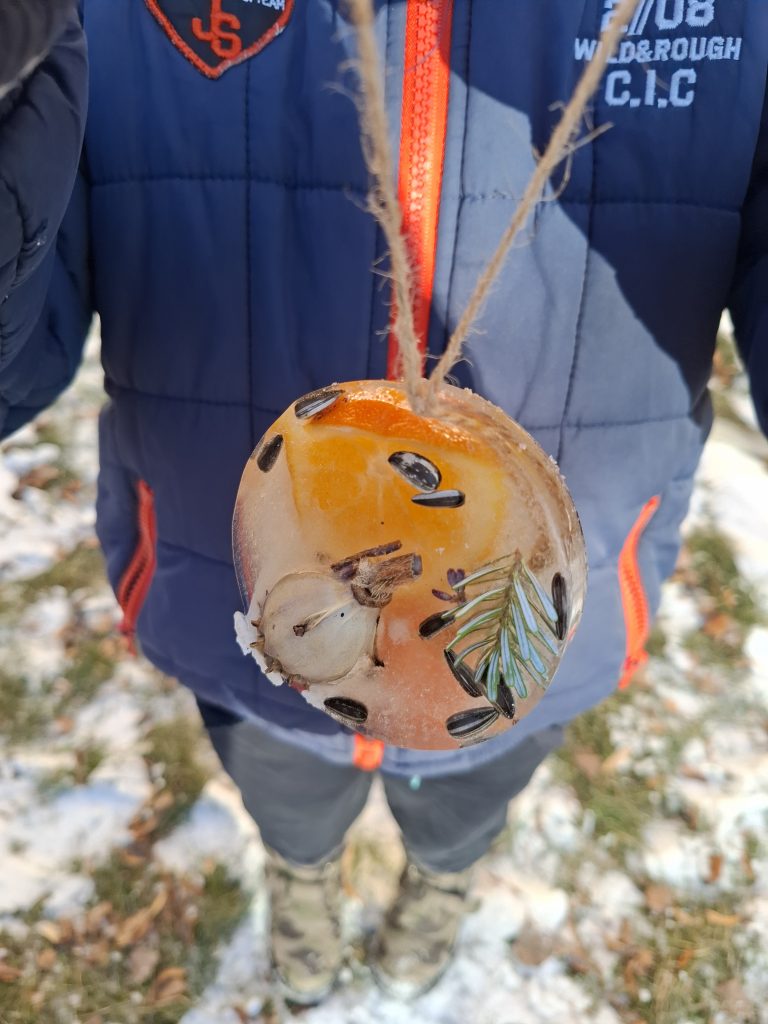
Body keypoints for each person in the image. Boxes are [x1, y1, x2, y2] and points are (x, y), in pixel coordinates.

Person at [1, 0, 766, 1006]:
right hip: (233, 614)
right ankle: (302, 879)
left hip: (531, 649)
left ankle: (441, 880)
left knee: (462, 810)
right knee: (288, 799)